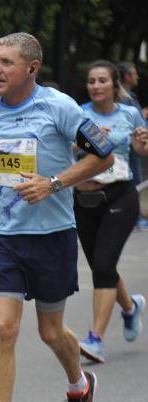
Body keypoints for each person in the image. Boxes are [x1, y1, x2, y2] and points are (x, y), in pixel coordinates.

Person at [0, 33, 115, 402]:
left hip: (52, 235)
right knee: (2, 328)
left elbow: (105, 155)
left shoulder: (58, 107)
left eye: (6, 62)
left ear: (31, 68)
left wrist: (54, 183)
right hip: (3, 235)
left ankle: (80, 385)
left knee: (50, 332)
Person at [73, 60, 148, 363]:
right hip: (84, 198)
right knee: (100, 267)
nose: (96, 86)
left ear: (114, 84)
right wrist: (85, 141)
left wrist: (143, 145)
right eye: (91, 81)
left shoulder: (129, 113)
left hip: (120, 195)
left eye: (102, 80)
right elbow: (68, 150)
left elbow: (140, 151)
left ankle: (96, 339)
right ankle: (130, 308)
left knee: (104, 263)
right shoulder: (77, 114)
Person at [117, 61, 148, 231]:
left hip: (132, 147)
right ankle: (134, 220)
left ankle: (134, 219)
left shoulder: (129, 97)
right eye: (135, 73)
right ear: (128, 76)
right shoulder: (125, 98)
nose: (137, 76)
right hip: (128, 147)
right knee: (132, 182)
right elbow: (130, 124)